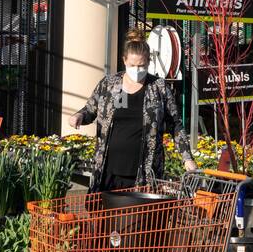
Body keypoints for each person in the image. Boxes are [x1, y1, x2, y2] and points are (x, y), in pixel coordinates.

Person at [69, 31, 198, 191]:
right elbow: (90, 109)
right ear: (124, 61)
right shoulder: (110, 85)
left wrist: (187, 158)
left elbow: (175, 125)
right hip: (108, 170)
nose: (137, 70)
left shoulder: (159, 88)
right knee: (106, 213)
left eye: (142, 65)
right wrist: (79, 115)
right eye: (132, 65)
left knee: (137, 215)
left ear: (149, 62)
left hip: (145, 173)